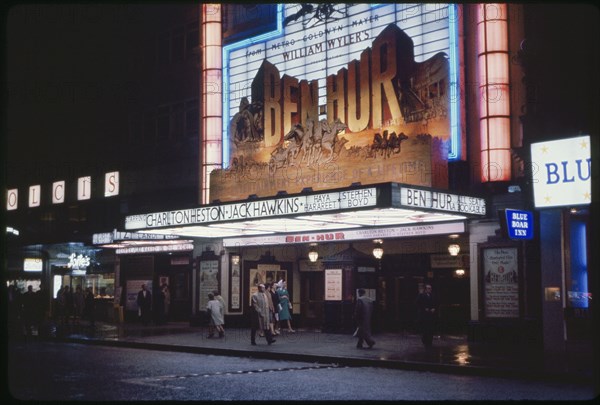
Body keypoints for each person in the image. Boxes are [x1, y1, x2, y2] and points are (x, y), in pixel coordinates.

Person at [415, 284, 437, 348]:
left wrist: (434, 308)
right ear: (425, 289)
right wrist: (424, 308)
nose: (429, 290)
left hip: (431, 315)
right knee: (425, 328)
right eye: (428, 288)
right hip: (424, 315)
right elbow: (417, 303)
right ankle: (425, 341)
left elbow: (436, 303)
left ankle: (430, 341)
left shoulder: (433, 295)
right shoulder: (421, 295)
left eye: (430, 288)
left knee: (431, 328)